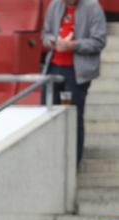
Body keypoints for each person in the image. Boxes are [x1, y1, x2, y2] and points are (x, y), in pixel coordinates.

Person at [43, 0, 107, 164]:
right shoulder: (54, 6)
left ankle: (73, 163)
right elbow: (44, 34)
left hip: (75, 73)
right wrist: (51, 40)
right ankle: (49, 159)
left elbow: (99, 41)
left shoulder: (93, 7)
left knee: (74, 118)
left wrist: (72, 46)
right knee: (47, 116)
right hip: (53, 69)